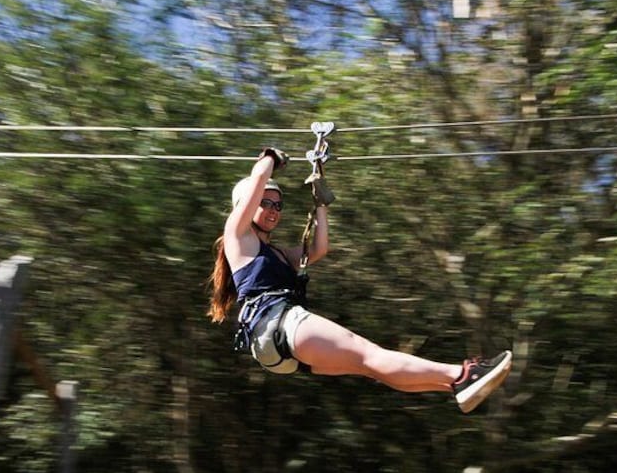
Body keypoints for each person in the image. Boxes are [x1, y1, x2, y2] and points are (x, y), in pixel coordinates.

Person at [208, 147, 512, 413]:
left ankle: (455, 387)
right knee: (370, 354)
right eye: (265, 203)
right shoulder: (239, 237)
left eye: (278, 205)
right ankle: (462, 373)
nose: (273, 210)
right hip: (278, 324)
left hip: (277, 345)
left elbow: (318, 249)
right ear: (246, 205)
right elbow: (258, 177)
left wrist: (321, 204)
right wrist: (270, 157)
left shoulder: (276, 253)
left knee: (373, 367)